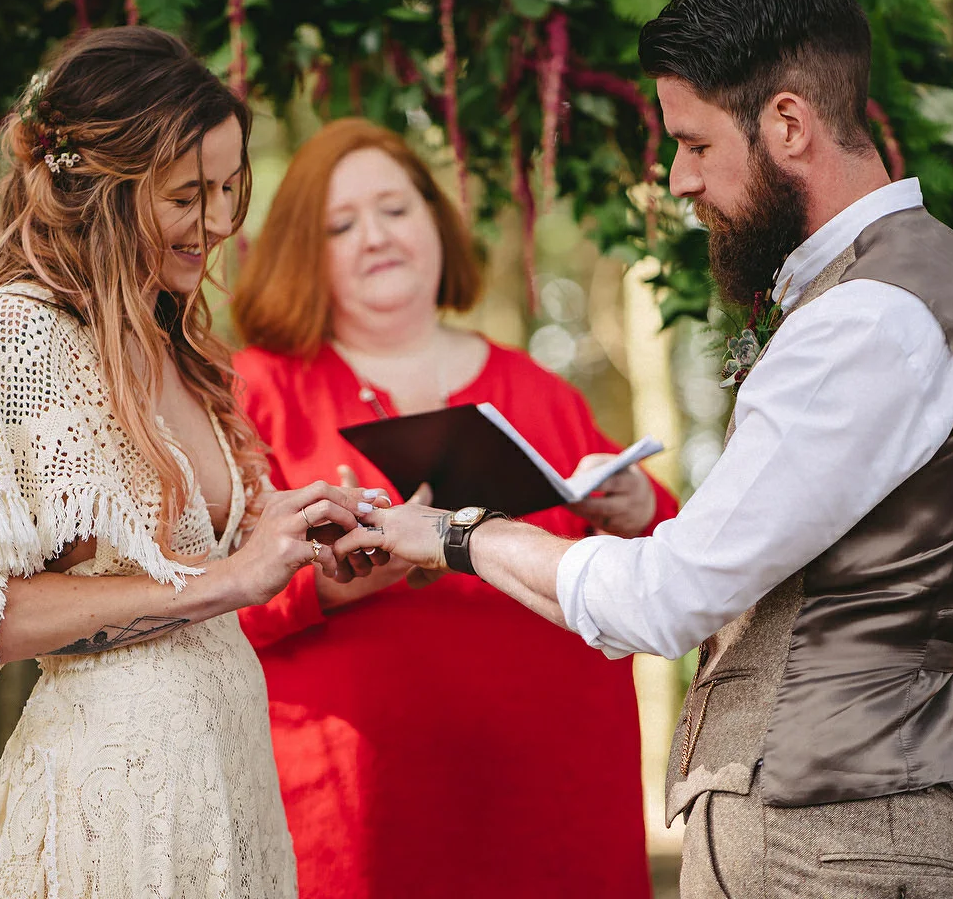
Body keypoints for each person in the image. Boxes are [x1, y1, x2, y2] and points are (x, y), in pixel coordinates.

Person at [340, 0, 953, 899]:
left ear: (788, 122)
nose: (678, 179)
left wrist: (459, 535)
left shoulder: (866, 317)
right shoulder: (920, 284)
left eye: (697, 145)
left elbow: (665, 598)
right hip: (856, 828)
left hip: (830, 848)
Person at [0, 27, 377, 899]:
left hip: (223, 770)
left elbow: (195, 564)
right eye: (185, 197)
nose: (215, 225)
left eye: (229, 189)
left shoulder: (171, 337)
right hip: (113, 793)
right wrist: (231, 579)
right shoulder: (20, 337)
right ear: (105, 190)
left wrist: (292, 538)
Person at [229, 117, 679, 899]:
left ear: (436, 222)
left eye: (395, 209)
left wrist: (637, 505)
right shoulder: (253, 394)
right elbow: (195, 600)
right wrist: (320, 587)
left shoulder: (541, 391)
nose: (375, 236)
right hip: (347, 821)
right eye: (341, 224)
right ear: (306, 251)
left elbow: (678, 565)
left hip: (552, 813)